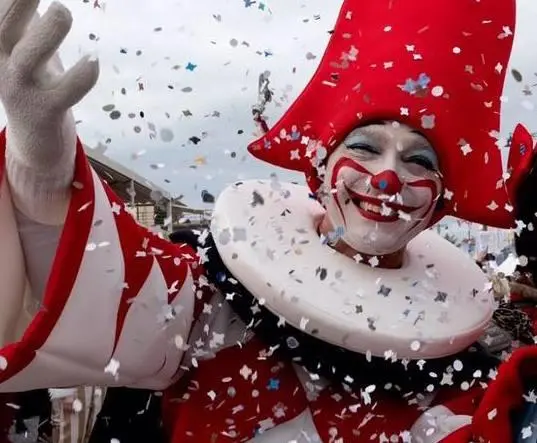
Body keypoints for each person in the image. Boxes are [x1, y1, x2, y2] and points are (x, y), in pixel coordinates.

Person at [0, 0, 536, 442]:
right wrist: (43, 166)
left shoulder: (470, 375)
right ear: (319, 170)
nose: (387, 178)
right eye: (365, 148)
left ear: (440, 200)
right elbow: (99, 280)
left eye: (419, 161)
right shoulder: (204, 302)